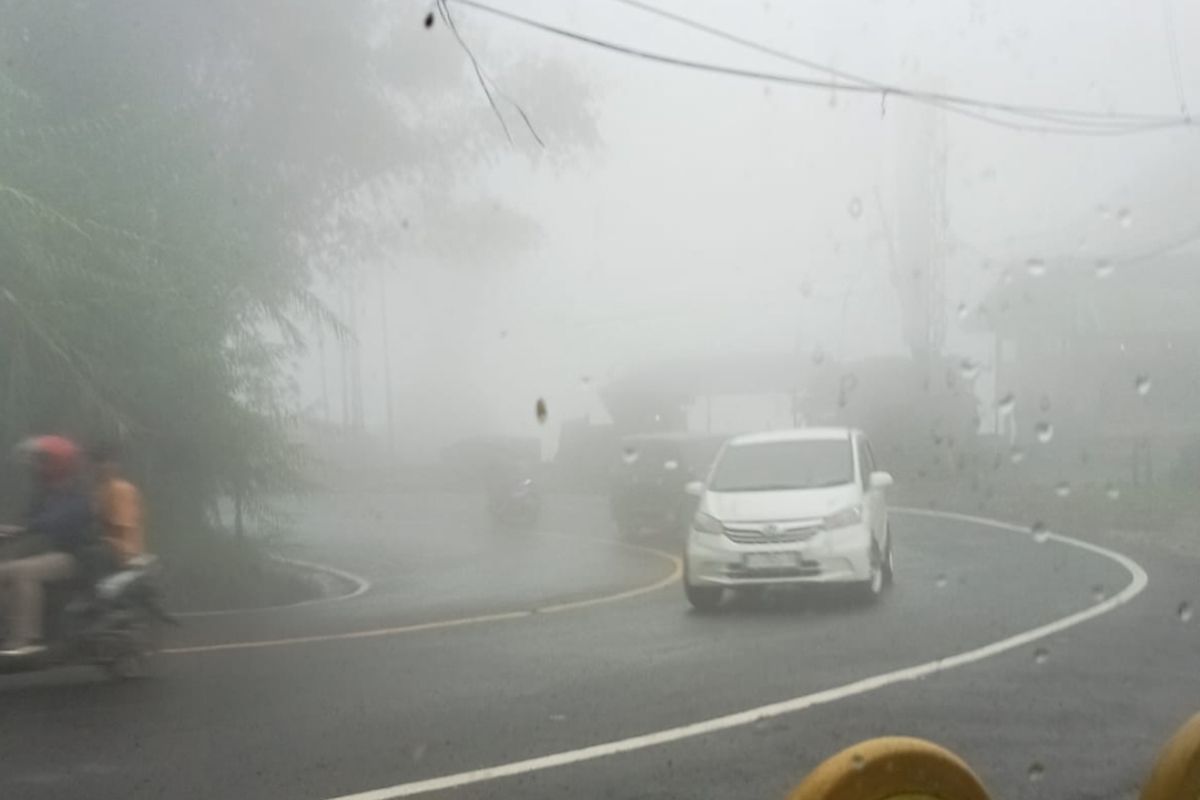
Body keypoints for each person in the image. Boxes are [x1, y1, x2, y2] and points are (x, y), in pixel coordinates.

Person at [0, 435, 94, 656]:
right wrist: (10, 530)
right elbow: (29, 520)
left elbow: (57, 520)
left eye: (42, 460)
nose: (37, 466)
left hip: (73, 557)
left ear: (57, 463)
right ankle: (8, 628)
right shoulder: (46, 492)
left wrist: (23, 529)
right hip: (51, 555)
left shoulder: (75, 492)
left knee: (21, 571)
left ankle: (25, 638)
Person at [88, 441, 145, 568]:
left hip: (123, 553)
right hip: (103, 550)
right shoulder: (98, 490)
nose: (103, 467)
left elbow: (122, 530)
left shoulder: (121, 489)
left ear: (117, 465)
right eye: (98, 462)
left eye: (108, 462)